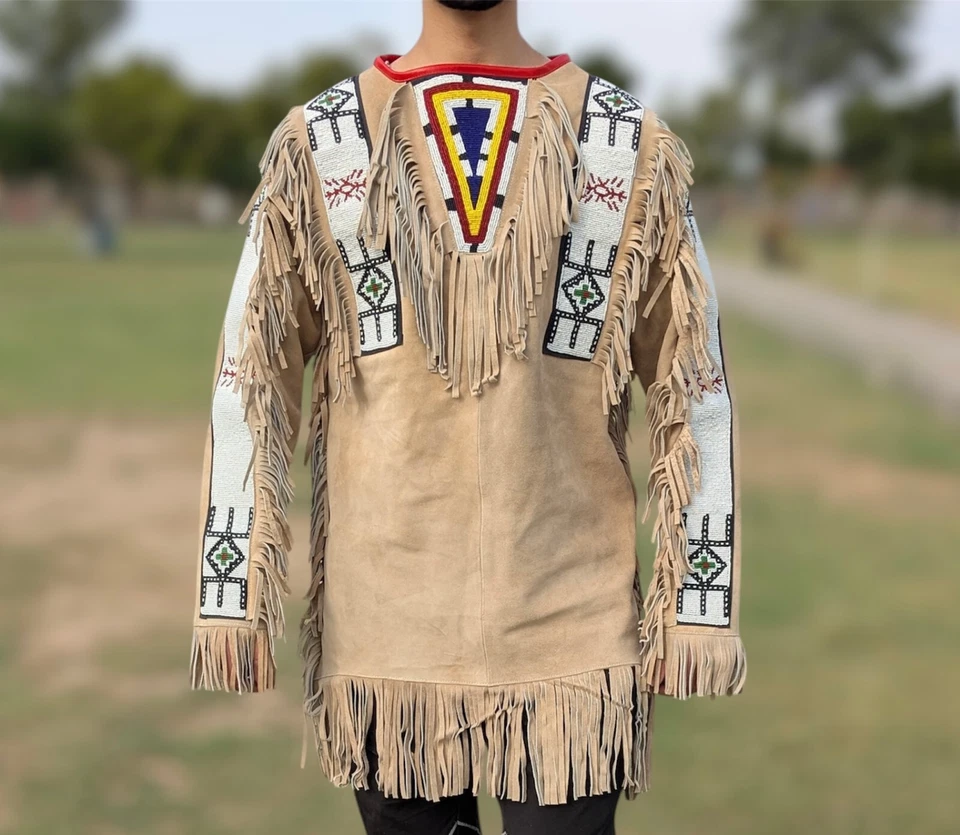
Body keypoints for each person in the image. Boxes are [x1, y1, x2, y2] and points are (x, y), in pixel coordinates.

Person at [188, 1, 746, 832]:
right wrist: (230, 594)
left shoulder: (625, 144)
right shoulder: (325, 140)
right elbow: (249, 374)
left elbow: (695, 383)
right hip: (389, 637)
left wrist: (698, 602)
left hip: (570, 634)